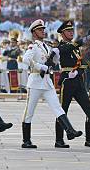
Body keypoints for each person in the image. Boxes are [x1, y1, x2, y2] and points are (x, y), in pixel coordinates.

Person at [21, 19, 82, 148]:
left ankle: (69, 131)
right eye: (39, 30)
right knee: (29, 112)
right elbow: (26, 60)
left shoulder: (47, 47)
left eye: (43, 29)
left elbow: (54, 60)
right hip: (36, 81)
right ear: (34, 33)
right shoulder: (33, 46)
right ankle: (26, 140)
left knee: (57, 108)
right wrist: (39, 67)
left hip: (47, 82)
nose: (43, 31)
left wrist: (55, 58)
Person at [54, 20, 90, 148]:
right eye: (68, 31)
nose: (71, 33)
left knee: (89, 108)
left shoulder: (75, 49)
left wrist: (79, 71)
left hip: (78, 80)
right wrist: (84, 39)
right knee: (62, 110)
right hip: (67, 80)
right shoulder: (61, 47)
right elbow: (67, 49)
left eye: (72, 31)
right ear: (62, 33)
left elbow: (83, 63)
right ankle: (59, 139)